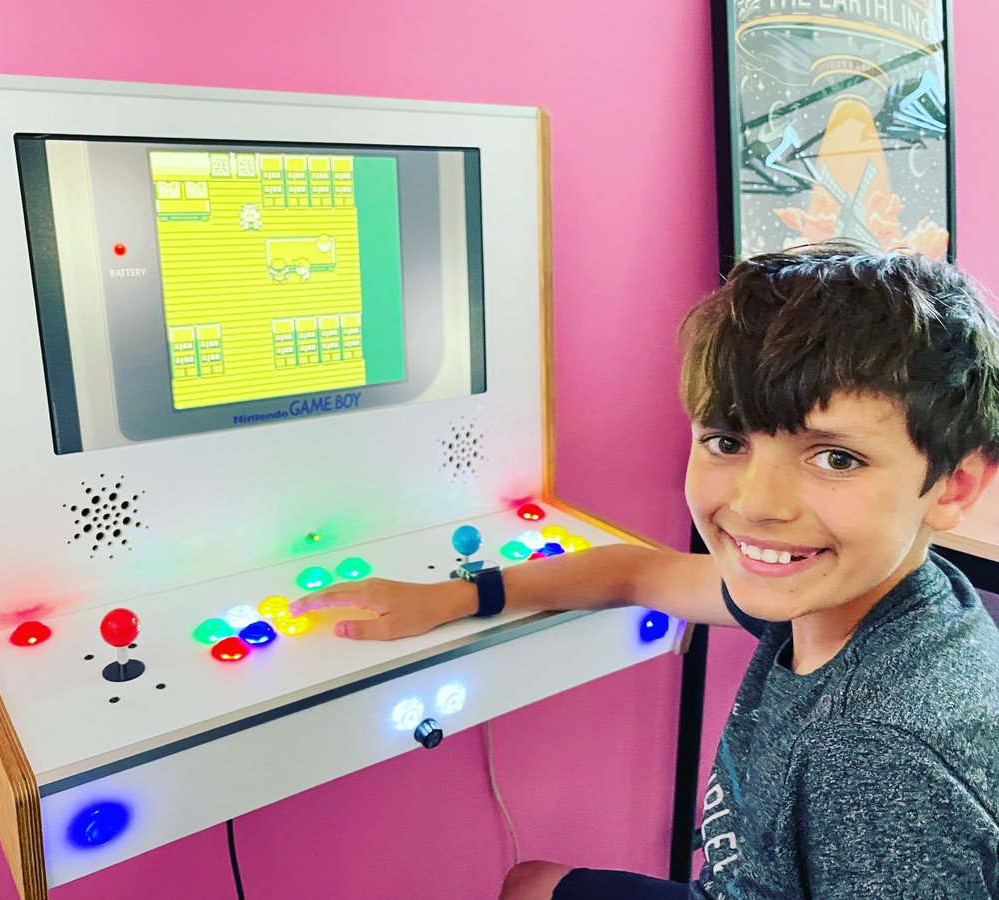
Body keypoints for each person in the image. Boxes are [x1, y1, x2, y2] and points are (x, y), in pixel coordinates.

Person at [290, 243, 999, 898]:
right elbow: (637, 574)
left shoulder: (880, 758)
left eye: (835, 458)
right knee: (531, 884)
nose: (756, 504)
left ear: (954, 488)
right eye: (727, 441)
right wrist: (458, 597)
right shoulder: (848, 596)